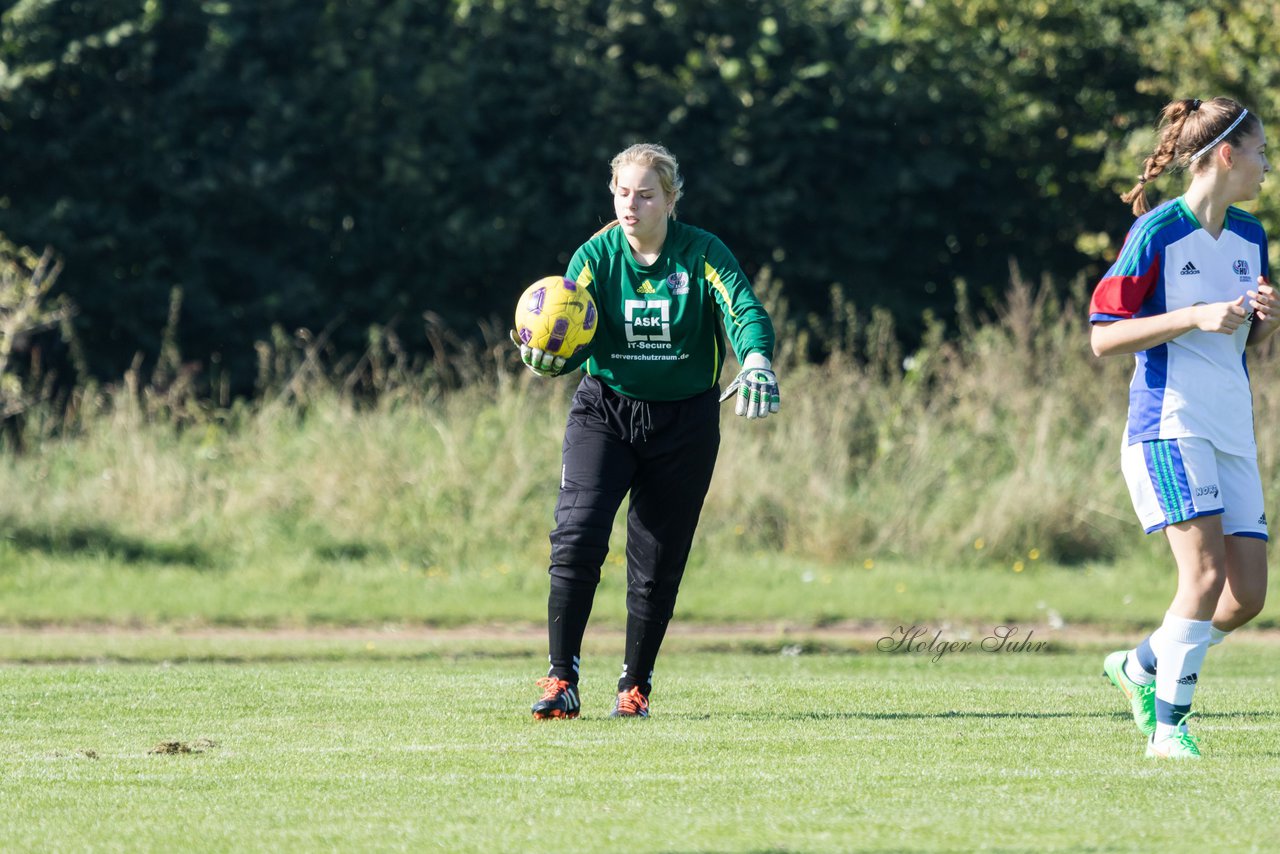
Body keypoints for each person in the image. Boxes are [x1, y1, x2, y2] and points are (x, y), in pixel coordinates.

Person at [511, 142, 780, 719]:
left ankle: (635, 688)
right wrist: (547, 351)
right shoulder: (597, 255)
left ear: (671, 199)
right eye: (622, 192)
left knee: (656, 563)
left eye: (646, 194)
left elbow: (743, 309)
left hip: (684, 423)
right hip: (604, 412)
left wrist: (755, 357)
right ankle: (561, 680)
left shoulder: (702, 253)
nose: (630, 205)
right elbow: (564, 310)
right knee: (576, 537)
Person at [1090, 97, 1273, 759]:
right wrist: (1192, 317)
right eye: (1259, 152)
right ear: (1226, 155)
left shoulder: (1252, 236)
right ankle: (1169, 731)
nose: (1264, 167)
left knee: (1246, 595)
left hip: (1231, 428)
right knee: (1200, 578)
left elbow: (1242, 338)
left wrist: (1266, 318)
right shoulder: (1158, 233)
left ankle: (1138, 667)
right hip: (1169, 425)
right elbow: (1104, 338)